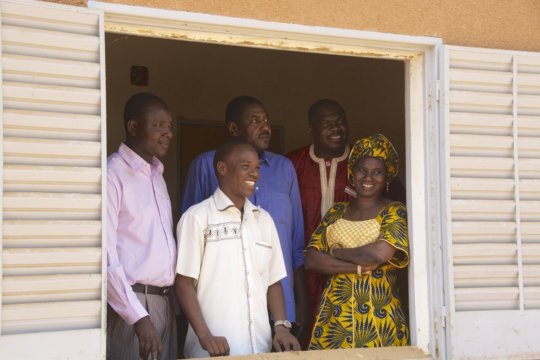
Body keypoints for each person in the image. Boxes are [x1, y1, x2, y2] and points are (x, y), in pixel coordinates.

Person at [181, 96, 307, 339]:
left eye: (267, 120)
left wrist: (299, 306)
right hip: (223, 311)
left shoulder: (285, 169)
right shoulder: (206, 165)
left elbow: (295, 244)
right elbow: (187, 247)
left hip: (280, 308)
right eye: (255, 120)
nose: (265, 127)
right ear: (233, 129)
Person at [305, 134, 409, 349]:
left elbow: (378, 254)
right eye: (362, 170)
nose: (368, 177)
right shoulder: (336, 212)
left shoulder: (394, 211)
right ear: (353, 174)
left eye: (377, 172)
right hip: (334, 319)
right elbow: (312, 259)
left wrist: (336, 252)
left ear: (387, 177)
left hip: (379, 319)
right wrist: (360, 268)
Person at [107, 92, 177, 360]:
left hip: (162, 303)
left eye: (169, 126)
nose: (168, 133)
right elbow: (106, 256)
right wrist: (138, 317)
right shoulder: (113, 174)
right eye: (158, 125)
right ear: (133, 127)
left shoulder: (157, 176)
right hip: (131, 306)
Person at [286, 99, 352, 347]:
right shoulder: (291, 164)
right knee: (303, 335)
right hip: (301, 273)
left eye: (340, 121)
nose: (336, 128)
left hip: (350, 273)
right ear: (311, 130)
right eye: (327, 124)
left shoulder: (364, 165)